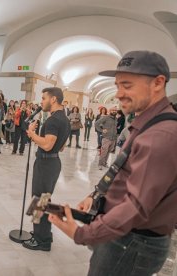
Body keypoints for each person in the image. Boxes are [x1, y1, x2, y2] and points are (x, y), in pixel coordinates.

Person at [49, 51, 177, 276]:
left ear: (158, 83)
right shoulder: (147, 123)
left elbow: (137, 206)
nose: (119, 94)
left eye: (127, 85)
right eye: (117, 85)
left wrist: (82, 234)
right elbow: (123, 169)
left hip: (133, 242)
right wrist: (96, 195)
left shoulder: (161, 135)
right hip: (126, 237)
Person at [22, 87, 70, 251]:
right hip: (53, 163)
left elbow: (48, 145)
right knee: (43, 200)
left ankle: (41, 240)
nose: (41, 101)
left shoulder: (53, 120)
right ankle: (42, 234)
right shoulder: (64, 118)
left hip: (46, 163)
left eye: (43, 98)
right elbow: (61, 147)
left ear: (53, 99)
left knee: (39, 201)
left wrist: (32, 134)